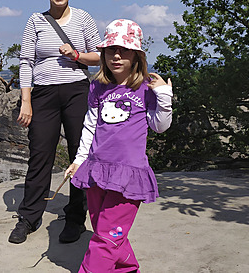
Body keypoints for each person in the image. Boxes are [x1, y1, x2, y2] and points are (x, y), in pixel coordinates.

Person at [64, 19, 173, 272]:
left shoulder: (146, 87)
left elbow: (160, 126)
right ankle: (126, 269)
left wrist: (164, 98)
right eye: (111, 50)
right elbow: (90, 126)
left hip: (129, 173)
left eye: (124, 50)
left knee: (105, 238)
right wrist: (79, 160)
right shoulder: (98, 87)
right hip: (97, 169)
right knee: (107, 231)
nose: (116, 56)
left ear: (136, 55)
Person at [9, 0, 101, 244]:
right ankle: (29, 216)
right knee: (40, 155)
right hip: (44, 94)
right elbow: (26, 62)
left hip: (76, 91)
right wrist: (26, 101)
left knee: (79, 154)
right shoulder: (35, 21)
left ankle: (75, 218)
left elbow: (99, 56)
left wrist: (76, 54)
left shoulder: (83, 18)